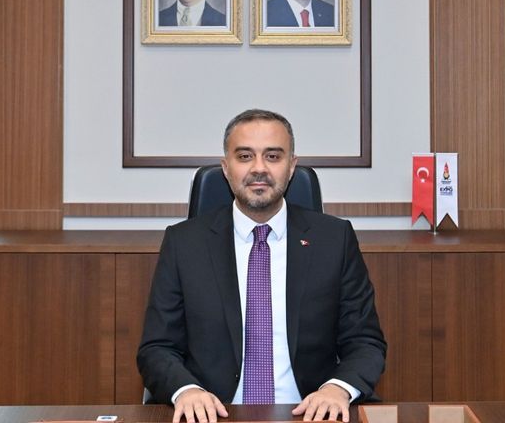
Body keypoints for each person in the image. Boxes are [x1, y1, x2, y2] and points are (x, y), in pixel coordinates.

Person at [138, 109, 386, 423]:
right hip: (215, 414)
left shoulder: (334, 239)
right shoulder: (184, 243)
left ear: (291, 166)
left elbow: (365, 342)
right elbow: (157, 348)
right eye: (245, 156)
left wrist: (337, 389)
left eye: (273, 156)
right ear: (226, 168)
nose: (259, 168)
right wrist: (187, 391)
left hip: (310, 412)